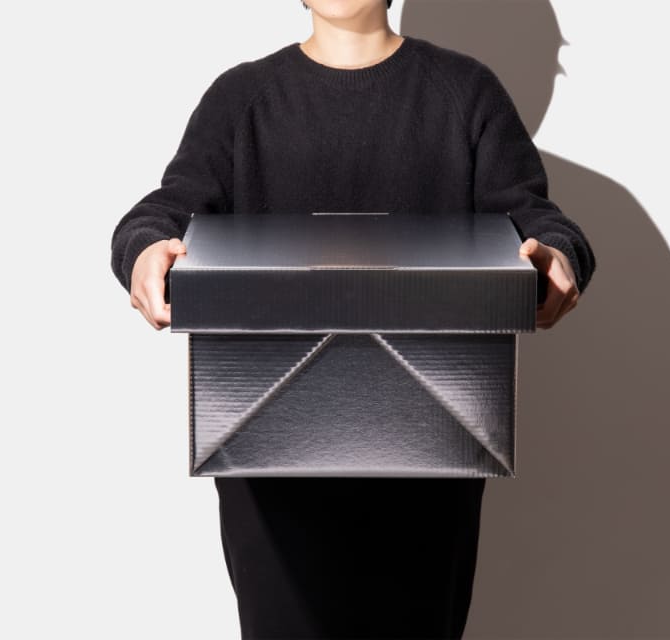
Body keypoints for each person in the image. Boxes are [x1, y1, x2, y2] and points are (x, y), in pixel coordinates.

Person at [110, 1, 596, 638]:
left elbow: (537, 220)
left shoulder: (465, 92)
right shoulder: (241, 99)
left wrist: (557, 257)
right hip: (267, 462)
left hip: (434, 460)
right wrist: (145, 250)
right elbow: (164, 212)